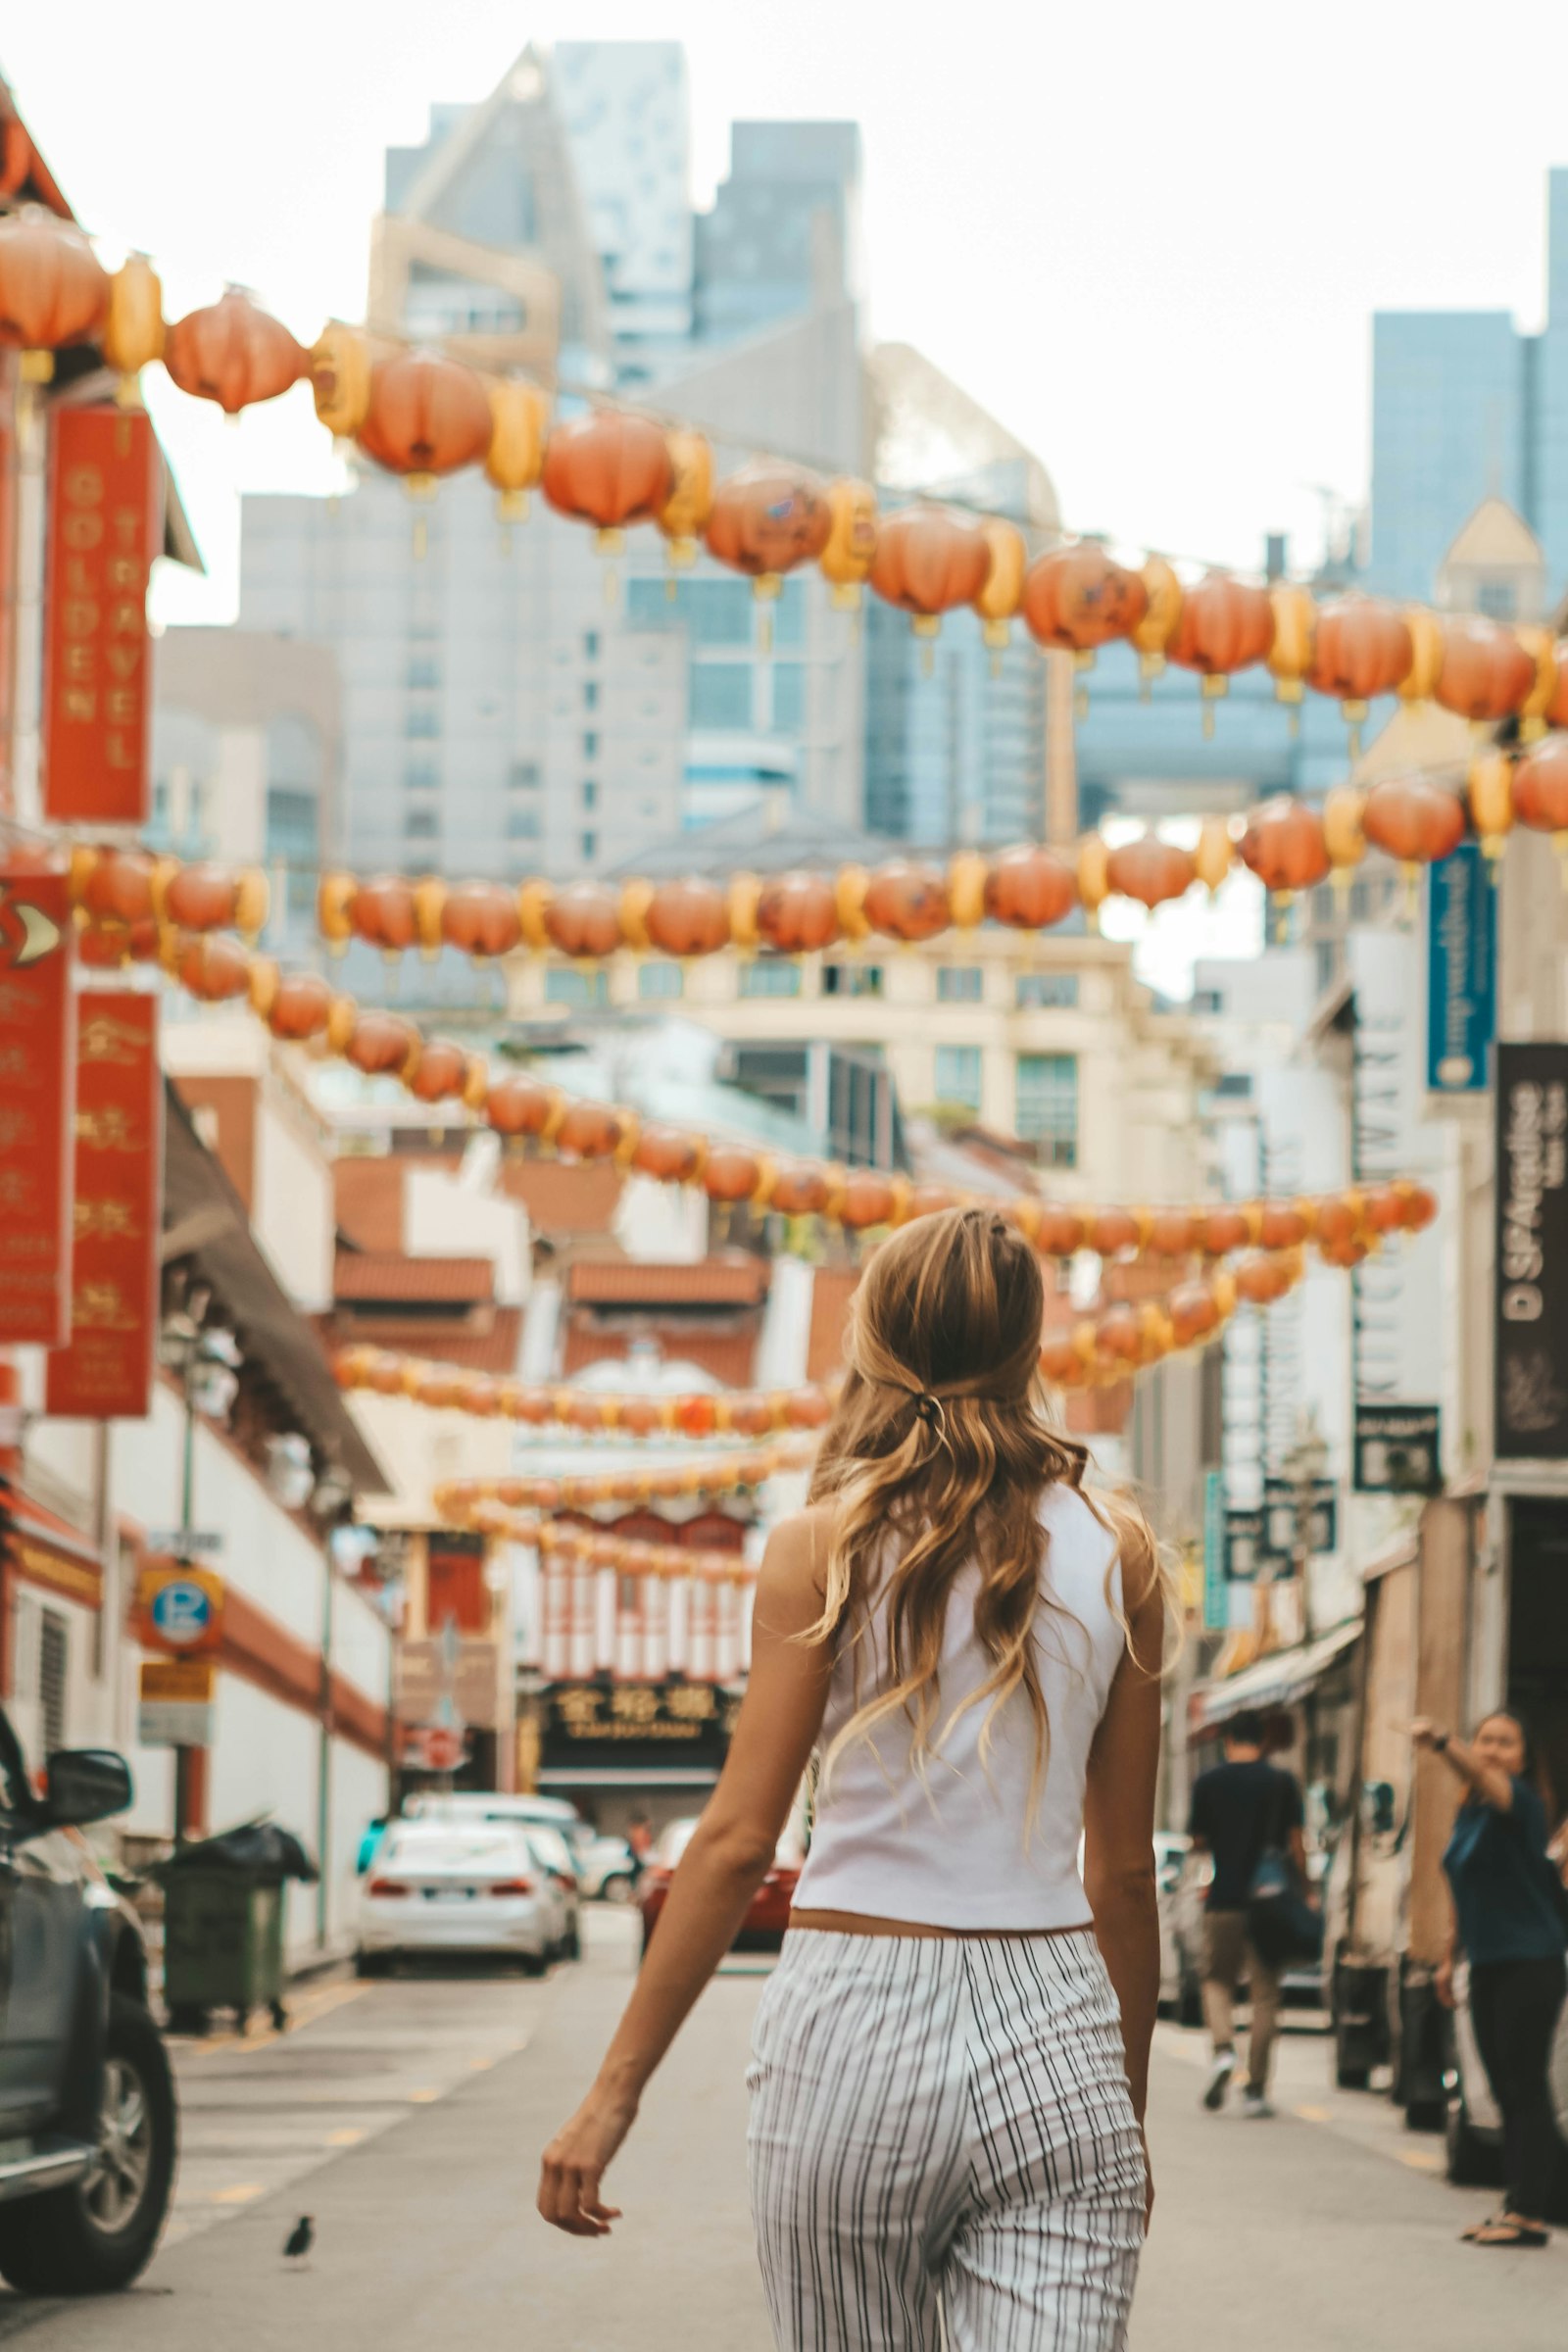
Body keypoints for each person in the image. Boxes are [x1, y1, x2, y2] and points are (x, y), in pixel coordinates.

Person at [538, 1205, 1165, 2350]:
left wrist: (612, 2093)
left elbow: (732, 1844)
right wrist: (1119, 2114)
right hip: (1056, 2027)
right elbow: (1123, 1874)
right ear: (1030, 1351)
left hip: (850, 2029)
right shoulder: (1119, 1553)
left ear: (874, 1341)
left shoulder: (816, 1547)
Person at [1415, 1710, 1568, 2248]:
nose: (1494, 1751)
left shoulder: (1518, 1804)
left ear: (1523, 1759)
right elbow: (1463, 1888)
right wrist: (1449, 1958)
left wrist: (1441, 1742)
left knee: (1525, 2085)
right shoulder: (1471, 1814)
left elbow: (1481, 1777)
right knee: (1503, 2088)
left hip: (1531, 1961)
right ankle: (1516, 2203)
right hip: (1487, 1963)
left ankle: (1530, 2211)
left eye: (1506, 1743)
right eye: (1486, 1741)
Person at [1187, 1708, 1305, 2117]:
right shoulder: (1281, 1783)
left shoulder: (1208, 1783)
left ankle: (1223, 2049)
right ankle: (1255, 2090)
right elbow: (1296, 1842)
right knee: (1265, 1993)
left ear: (1227, 1741)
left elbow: (1199, 1841)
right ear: (1263, 1740)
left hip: (1224, 1900)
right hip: (1269, 1903)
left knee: (1216, 1980)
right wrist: (1305, 1890)